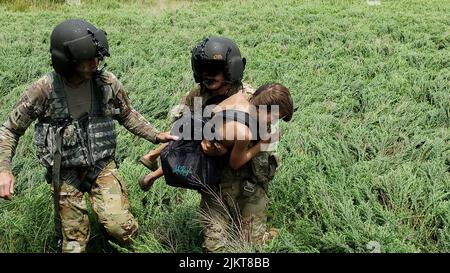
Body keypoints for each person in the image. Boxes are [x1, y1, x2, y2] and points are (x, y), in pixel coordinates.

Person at [0, 19, 177, 253]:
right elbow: (11, 129)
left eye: (98, 58)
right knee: (74, 244)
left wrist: (156, 135)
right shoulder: (43, 90)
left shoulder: (107, 83)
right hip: (64, 172)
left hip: (102, 166)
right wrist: (4, 169)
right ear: (68, 61)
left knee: (120, 228)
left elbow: (126, 114)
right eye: (89, 59)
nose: (96, 64)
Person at [139, 37, 293, 252]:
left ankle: (264, 234)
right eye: (203, 69)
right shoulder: (196, 98)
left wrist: (251, 142)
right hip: (215, 185)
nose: (207, 75)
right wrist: (204, 145)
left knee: (252, 246)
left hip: (249, 182)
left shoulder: (251, 97)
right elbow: (183, 138)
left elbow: (272, 135)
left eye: (214, 70)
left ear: (231, 70)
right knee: (214, 248)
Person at [138, 83, 293, 192]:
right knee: (186, 157)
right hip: (208, 151)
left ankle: (151, 166)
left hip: (202, 126)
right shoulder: (245, 133)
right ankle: (151, 172)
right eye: (276, 117)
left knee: (179, 148)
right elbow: (235, 163)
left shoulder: (238, 97)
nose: (274, 122)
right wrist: (262, 144)